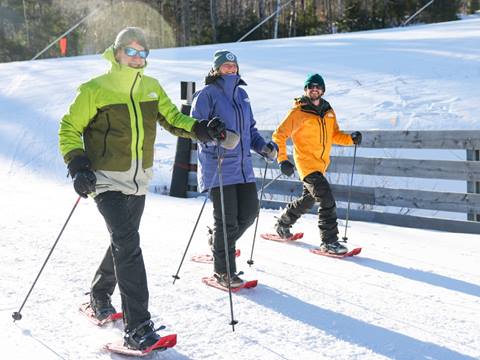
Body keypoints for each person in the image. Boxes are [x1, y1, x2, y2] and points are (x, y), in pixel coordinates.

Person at [58, 27, 225, 350]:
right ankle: (138, 328)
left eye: (142, 52)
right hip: (105, 180)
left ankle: (98, 294)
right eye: (131, 51)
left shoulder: (151, 88)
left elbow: (174, 119)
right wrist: (78, 165)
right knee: (128, 244)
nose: (137, 58)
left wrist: (201, 129)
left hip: (138, 181)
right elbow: (69, 127)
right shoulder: (95, 89)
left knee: (123, 242)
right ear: (117, 52)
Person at [190, 50, 277, 288]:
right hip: (217, 166)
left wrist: (264, 147)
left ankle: (218, 243)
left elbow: (250, 130)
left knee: (249, 213)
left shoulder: (242, 95)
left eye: (233, 65)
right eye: (226, 66)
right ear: (216, 69)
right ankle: (224, 272)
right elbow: (195, 130)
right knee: (226, 222)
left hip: (243, 167)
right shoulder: (206, 94)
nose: (230, 69)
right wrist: (215, 135)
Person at [272, 73, 362, 255]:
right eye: (310, 86)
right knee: (326, 197)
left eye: (318, 86)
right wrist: (282, 160)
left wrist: (351, 139)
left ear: (322, 90)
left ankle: (283, 223)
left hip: (321, 165)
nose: (314, 89)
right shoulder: (297, 112)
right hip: (306, 164)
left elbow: (334, 134)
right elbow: (278, 135)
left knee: (308, 200)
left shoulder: (328, 111)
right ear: (306, 90)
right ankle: (329, 241)